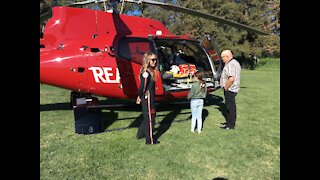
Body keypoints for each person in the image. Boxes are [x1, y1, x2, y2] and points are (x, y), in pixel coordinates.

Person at [136, 52, 160, 144]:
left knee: (150, 116)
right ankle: (150, 140)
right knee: (150, 118)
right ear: (147, 61)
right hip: (148, 98)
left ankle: (140, 134)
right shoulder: (146, 73)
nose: (155, 62)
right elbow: (143, 87)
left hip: (150, 97)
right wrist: (139, 97)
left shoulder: (151, 71)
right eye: (153, 60)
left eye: (156, 60)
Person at [219, 50, 241, 130]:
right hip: (233, 88)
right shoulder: (235, 62)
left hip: (230, 89)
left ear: (227, 56)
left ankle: (230, 125)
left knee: (230, 108)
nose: (222, 59)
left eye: (222, 57)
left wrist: (226, 87)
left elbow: (231, 78)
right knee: (229, 107)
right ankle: (229, 121)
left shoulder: (230, 65)